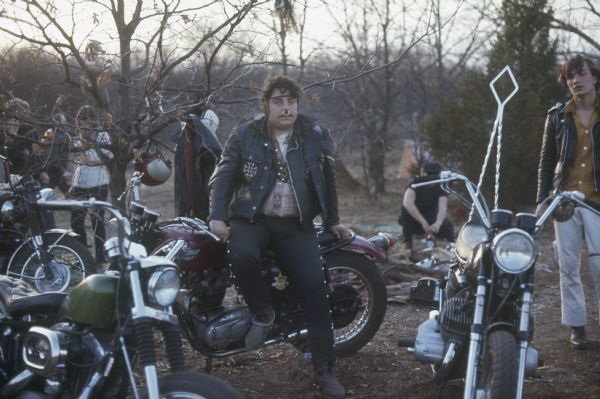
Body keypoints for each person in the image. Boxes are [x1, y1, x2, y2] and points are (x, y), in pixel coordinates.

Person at [208, 75, 350, 398]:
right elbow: (224, 174)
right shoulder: (245, 134)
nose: (286, 108)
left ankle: (325, 369)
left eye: (291, 101)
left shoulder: (315, 134)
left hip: (295, 225)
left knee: (315, 286)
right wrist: (217, 216)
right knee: (241, 253)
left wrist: (334, 221)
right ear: (265, 105)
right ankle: (263, 312)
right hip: (252, 218)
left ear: (297, 105)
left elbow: (328, 178)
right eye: (278, 101)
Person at [536, 55, 600, 350]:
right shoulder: (557, 115)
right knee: (568, 266)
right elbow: (547, 160)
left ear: (594, 77)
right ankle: (577, 327)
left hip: (597, 202)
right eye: (570, 76)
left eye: (581, 74)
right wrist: (541, 200)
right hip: (564, 202)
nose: (576, 80)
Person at [68, 105, 113, 264]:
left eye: (90, 118)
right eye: (83, 118)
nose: (87, 121)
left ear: (95, 119)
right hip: (80, 183)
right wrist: (73, 183)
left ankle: (101, 255)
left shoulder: (102, 136)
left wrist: (91, 161)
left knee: (97, 220)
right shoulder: (77, 136)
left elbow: (108, 157)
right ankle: (82, 254)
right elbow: (76, 162)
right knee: (76, 221)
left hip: (98, 182)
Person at [399, 162, 454, 256]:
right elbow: (407, 203)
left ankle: (453, 246)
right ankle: (407, 244)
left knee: (448, 225)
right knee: (405, 212)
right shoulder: (415, 183)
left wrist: (438, 223)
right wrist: (423, 222)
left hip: (431, 219)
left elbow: (443, 208)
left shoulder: (439, 185)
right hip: (413, 220)